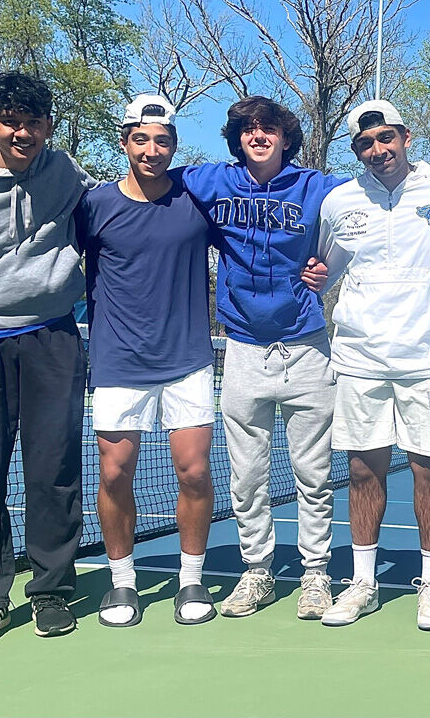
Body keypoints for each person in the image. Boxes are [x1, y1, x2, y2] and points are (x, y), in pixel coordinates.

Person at [182, 97, 346, 621]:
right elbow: (152, 176)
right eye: (248, 129)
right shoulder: (211, 181)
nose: (258, 136)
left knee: (313, 475)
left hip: (307, 349)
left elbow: (379, 192)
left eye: (268, 128)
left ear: (285, 137)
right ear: (237, 138)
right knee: (247, 477)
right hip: (243, 352)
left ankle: (316, 575)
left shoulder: (317, 186)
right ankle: (257, 572)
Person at [305, 100, 430, 630]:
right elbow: (326, 272)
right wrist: (314, 277)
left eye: (386, 137)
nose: (378, 150)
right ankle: (363, 583)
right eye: (365, 143)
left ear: (406, 136)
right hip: (360, 356)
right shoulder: (338, 201)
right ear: (356, 150)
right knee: (362, 471)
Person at [0, 72, 95, 644]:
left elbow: (117, 211)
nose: (23, 133)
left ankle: (51, 591)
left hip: (52, 337)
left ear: (48, 125)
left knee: (54, 471)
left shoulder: (65, 173)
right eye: (11, 122)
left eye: (33, 122)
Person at [77, 96, 216, 627]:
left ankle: (191, 579)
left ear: (174, 146)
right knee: (114, 473)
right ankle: (122, 583)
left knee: (194, 471)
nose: (151, 150)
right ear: (124, 142)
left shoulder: (197, 199)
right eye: (141, 139)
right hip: (117, 361)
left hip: (188, 360)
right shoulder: (94, 205)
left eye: (162, 141)